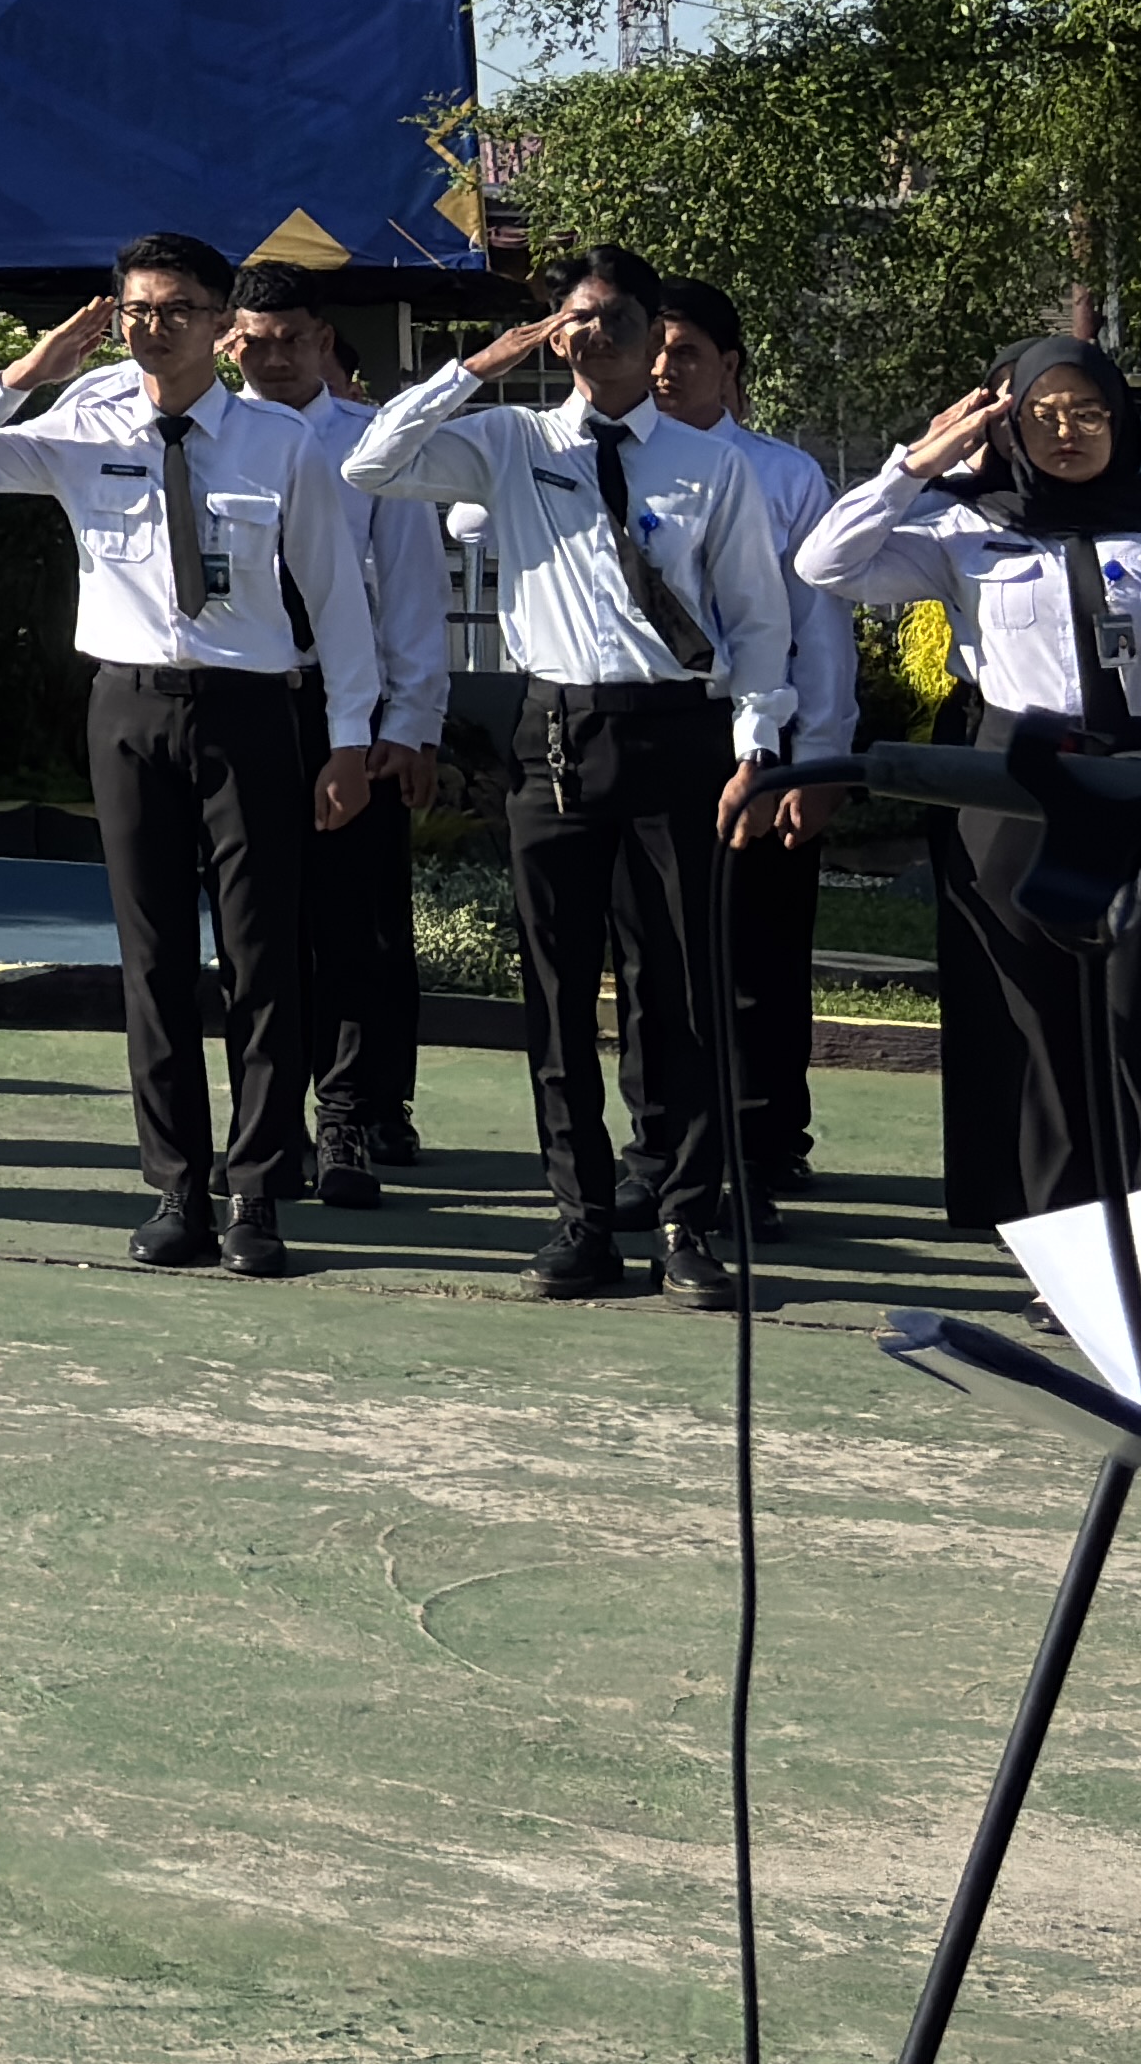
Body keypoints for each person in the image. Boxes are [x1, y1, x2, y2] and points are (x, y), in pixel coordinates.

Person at [0, 236, 401, 1276]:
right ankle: (177, 1186)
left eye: (177, 308)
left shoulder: (280, 443)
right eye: (137, 308)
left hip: (253, 710)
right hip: (128, 705)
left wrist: (351, 738)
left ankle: (259, 1192)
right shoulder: (80, 424)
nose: (152, 325)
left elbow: (338, 605)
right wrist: (27, 374)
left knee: (263, 960)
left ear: (222, 324)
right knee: (154, 959)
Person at [342, 254, 814, 1304]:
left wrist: (754, 749)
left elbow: (759, 624)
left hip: (678, 732)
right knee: (557, 993)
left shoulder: (710, 466)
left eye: (613, 319)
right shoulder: (513, 444)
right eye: (574, 320)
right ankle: (582, 1218)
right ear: (554, 337)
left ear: (654, 337)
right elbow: (373, 465)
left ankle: (687, 1215)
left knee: (679, 988)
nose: (591, 335)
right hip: (556, 729)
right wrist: (474, 367)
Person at [804, 337, 1141, 1232]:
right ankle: (1064, 1238)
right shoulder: (963, 526)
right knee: (1034, 1015)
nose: (1066, 431)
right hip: (1016, 788)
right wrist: (921, 461)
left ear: (1122, 421)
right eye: (1040, 414)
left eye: (1087, 412)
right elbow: (827, 564)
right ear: (1003, 423)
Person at [222, 280, 453, 1196]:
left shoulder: (370, 445)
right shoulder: (206, 437)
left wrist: (411, 725)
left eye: (290, 340)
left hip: (343, 699)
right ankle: (264, 1120)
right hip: (238, 699)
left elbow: (410, 592)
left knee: (356, 925)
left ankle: (352, 1117)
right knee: (257, 930)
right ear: (227, 342)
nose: (273, 359)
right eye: (254, 342)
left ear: (322, 339)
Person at [648, 278, 861, 1199]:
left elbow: (821, 631)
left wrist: (816, 760)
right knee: (660, 958)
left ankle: (762, 1148)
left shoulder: (784, 476)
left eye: (685, 350)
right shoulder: (599, 459)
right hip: (653, 733)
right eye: (648, 347)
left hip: (764, 735)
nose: (663, 368)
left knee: (758, 958)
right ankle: (663, 1152)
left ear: (728, 366)